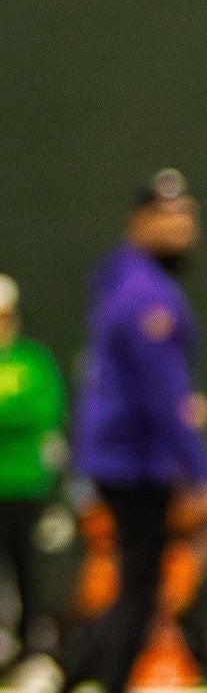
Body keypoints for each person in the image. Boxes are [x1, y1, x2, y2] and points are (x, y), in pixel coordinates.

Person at [45, 171, 207, 693]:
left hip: (121, 453)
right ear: (139, 223)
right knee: (142, 597)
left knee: (135, 593)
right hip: (136, 460)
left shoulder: (125, 280)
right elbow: (158, 396)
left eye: (185, 218)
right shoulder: (146, 294)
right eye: (167, 219)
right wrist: (201, 471)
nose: (180, 229)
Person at [0, 274, 68, 663]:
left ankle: (30, 650)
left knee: (29, 571)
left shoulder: (33, 360)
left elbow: (44, 411)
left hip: (26, 485)